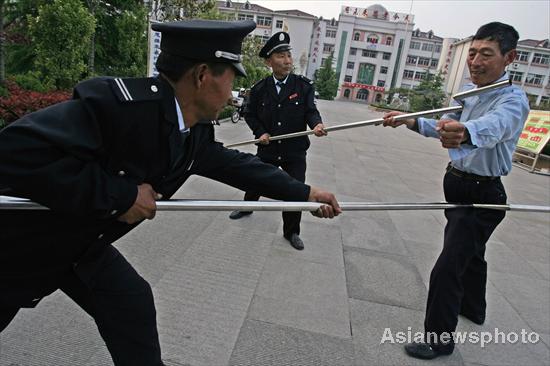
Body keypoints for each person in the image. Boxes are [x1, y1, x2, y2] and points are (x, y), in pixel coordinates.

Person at [0, 20, 341, 366]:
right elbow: (14, 149)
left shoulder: (192, 130)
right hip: (19, 244)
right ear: (203, 75)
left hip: (81, 243)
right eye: (231, 77)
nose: (234, 90)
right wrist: (120, 196)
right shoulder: (120, 105)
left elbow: (234, 165)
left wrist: (305, 192)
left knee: (131, 305)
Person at [383, 22, 529, 360]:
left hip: (484, 195)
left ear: (510, 57)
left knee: (449, 266)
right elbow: (445, 123)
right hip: (459, 185)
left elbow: (493, 127)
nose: (475, 62)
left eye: (486, 55)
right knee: (471, 254)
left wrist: (464, 131)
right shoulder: (471, 91)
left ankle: (439, 340)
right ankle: (474, 308)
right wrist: (411, 121)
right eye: (473, 53)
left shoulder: (513, 99)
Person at [228, 31, 327, 251]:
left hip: (294, 152)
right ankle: (247, 207)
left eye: (288, 55)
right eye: (281, 56)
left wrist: (316, 125)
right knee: (255, 179)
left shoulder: (303, 86)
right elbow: (250, 114)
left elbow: (311, 111)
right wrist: (260, 132)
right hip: (269, 148)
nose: (287, 61)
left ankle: (291, 231)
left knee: (296, 191)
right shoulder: (260, 89)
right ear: (268, 61)